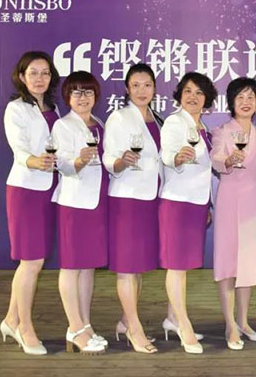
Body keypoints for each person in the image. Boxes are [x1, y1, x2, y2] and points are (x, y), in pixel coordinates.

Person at [0, 51, 60, 356]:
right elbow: (19, 147)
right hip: (26, 189)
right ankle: (25, 328)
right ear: (22, 77)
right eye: (33, 73)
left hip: (50, 190)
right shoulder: (16, 109)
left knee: (35, 261)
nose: (39, 78)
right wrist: (34, 161)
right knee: (31, 262)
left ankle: (11, 320)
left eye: (45, 73)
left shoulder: (54, 108)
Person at [210, 77, 256, 350]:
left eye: (251, 97)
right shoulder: (223, 131)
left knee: (249, 264)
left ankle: (244, 322)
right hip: (229, 202)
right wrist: (227, 160)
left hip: (255, 205)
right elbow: (215, 157)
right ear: (232, 102)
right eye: (240, 97)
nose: (246, 102)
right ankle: (230, 325)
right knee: (228, 264)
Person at [102, 64, 162, 354]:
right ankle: (135, 330)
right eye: (135, 85)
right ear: (127, 88)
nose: (141, 90)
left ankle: (126, 321)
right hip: (127, 199)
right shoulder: (119, 117)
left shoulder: (157, 118)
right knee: (127, 268)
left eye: (147, 85)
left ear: (154, 89)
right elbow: (108, 158)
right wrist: (121, 162)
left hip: (151, 199)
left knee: (138, 267)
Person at [159, 72, 218, 354]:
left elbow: (205, 169)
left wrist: (206, 204)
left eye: (199, 92)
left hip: (196, 203)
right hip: (177, 202)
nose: (192, 97)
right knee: (176, 266)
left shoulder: (202, 126)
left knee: (183, 266)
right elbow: (167, 153)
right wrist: (177, 158)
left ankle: (172, 318)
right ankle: (184, 326)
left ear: (207, 99)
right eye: (188, 91)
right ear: (179, 95)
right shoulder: (174, 122)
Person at [51, 71, 108, 355]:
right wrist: (78, 160)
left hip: (97, 202)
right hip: (74, 203)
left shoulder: (99, 124)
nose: (82, 97)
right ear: (68, 97)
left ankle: (86, 324)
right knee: (71, 266)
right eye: (76, 92)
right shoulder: (63, 125)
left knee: (88, 267)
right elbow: (60, 163)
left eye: (88, 92)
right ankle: (74, 327)